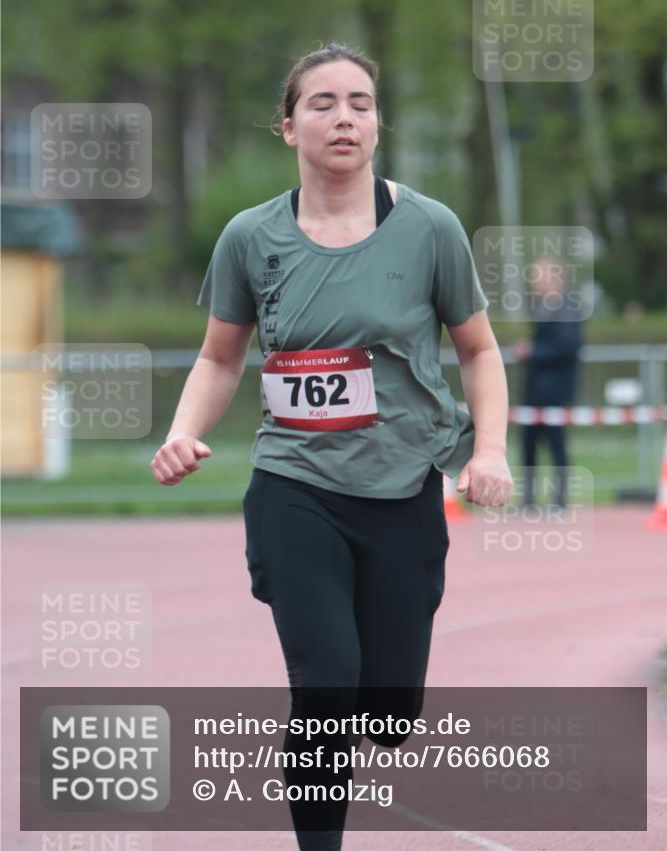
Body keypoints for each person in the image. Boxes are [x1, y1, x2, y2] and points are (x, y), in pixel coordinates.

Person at [151, 42, 513, 850]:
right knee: (325, 689)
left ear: (377, 124)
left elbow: (479, 350)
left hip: (401, 489)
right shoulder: (250, 237)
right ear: (288, 127)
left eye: (359, 102)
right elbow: (219, 358)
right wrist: (182, 434)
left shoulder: (429, 228)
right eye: (321, 103)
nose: (342, 116)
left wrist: (486, 450)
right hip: (294, 483)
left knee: (384, 716)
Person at [513, 257, 582, 511]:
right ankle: (528, 501)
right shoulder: (542, 306)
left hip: (555, 391)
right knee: (528, 444)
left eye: (537, 275)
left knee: (556, 445)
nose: (533, 280)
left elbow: (567, 347)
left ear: (554, 277)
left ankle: (559, 501)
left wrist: (533, 351)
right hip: (534, 391)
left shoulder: (568, 307)